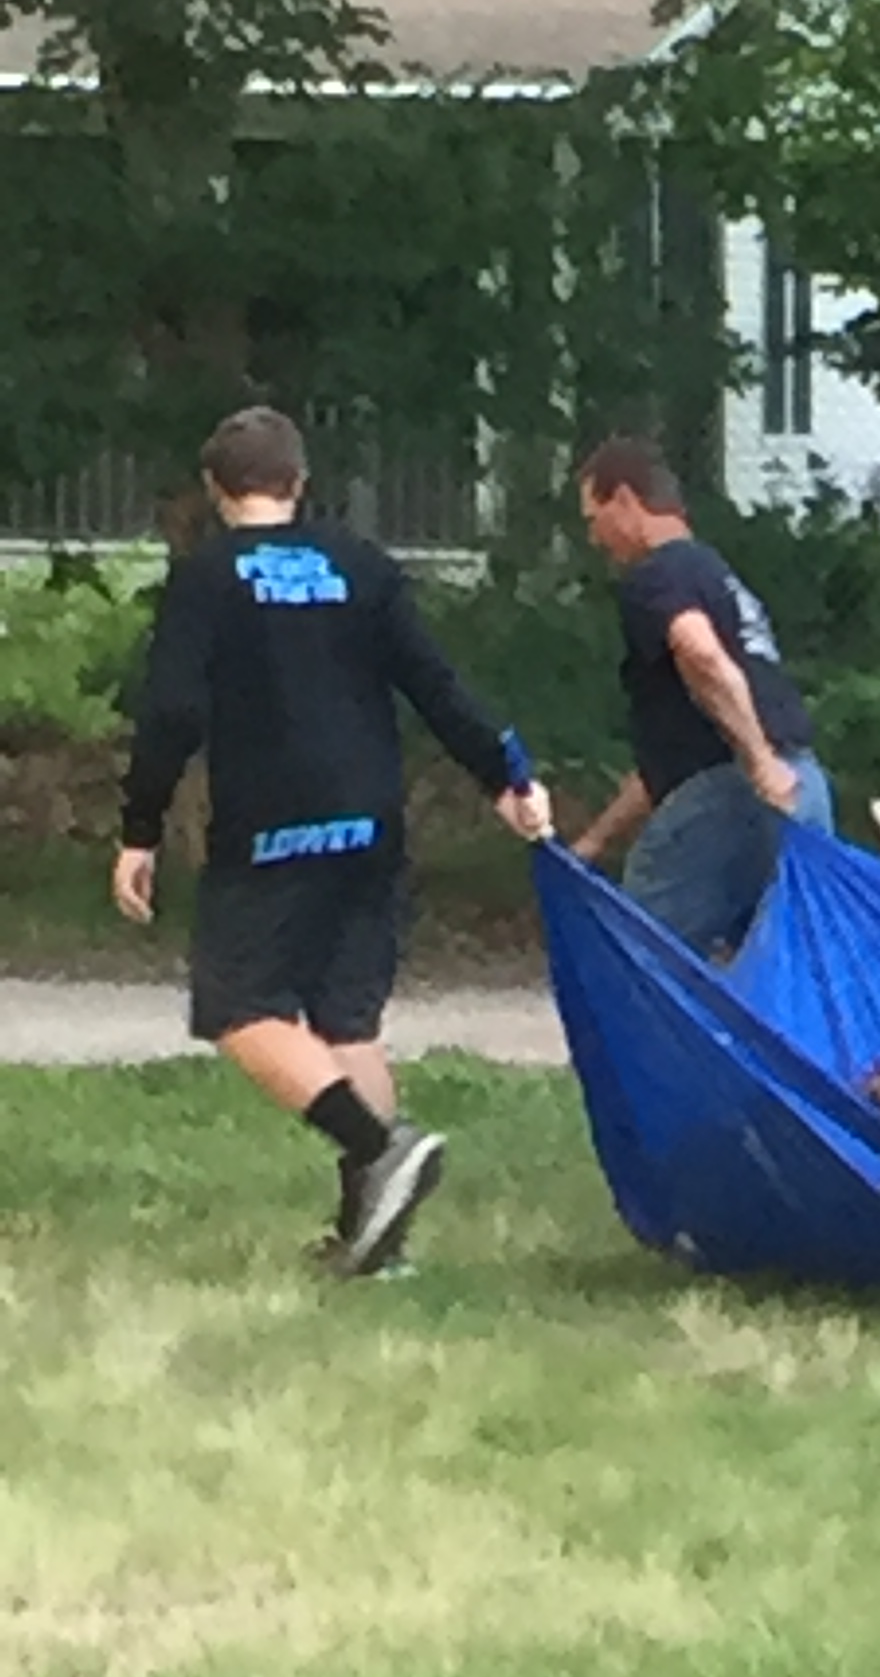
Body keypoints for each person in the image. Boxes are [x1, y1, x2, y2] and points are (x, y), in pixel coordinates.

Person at [112, 405, 553, 1277]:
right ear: (299, 481)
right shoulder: (362, 566)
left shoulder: (209, 577)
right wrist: (508, 778)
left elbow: (170, 712)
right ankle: (375, 1244)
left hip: (273, 825)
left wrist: (139, 829)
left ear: (214, 489)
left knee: (238, 1009)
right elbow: (437, 685)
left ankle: (379, 1147)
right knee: (347, 1019)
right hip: (371, 826)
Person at [566, 437, 832, 956]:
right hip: (804, 784)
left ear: (624, 499)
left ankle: (644, 1041)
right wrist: (596, 840)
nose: (595, 537)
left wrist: (757, 763)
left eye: (593, 516)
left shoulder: (657, 575)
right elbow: (675, 749)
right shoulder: (714, 575)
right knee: (787, 969)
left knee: (642, 961)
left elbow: (703, 657)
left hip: (731, 792)